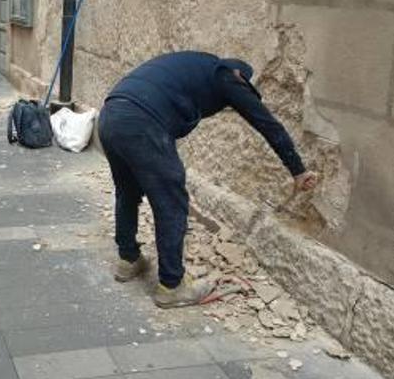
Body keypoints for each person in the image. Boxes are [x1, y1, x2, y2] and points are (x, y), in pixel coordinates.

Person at [99, 51, 319, 308]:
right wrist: (298, 169)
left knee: (127, 191)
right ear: (240, 75)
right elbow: (266, 123)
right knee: (172, 203)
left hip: (111, 115)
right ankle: (172, 286)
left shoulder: (198, 66)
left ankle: (128, 260)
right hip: (141, 123)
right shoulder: (227, 76)